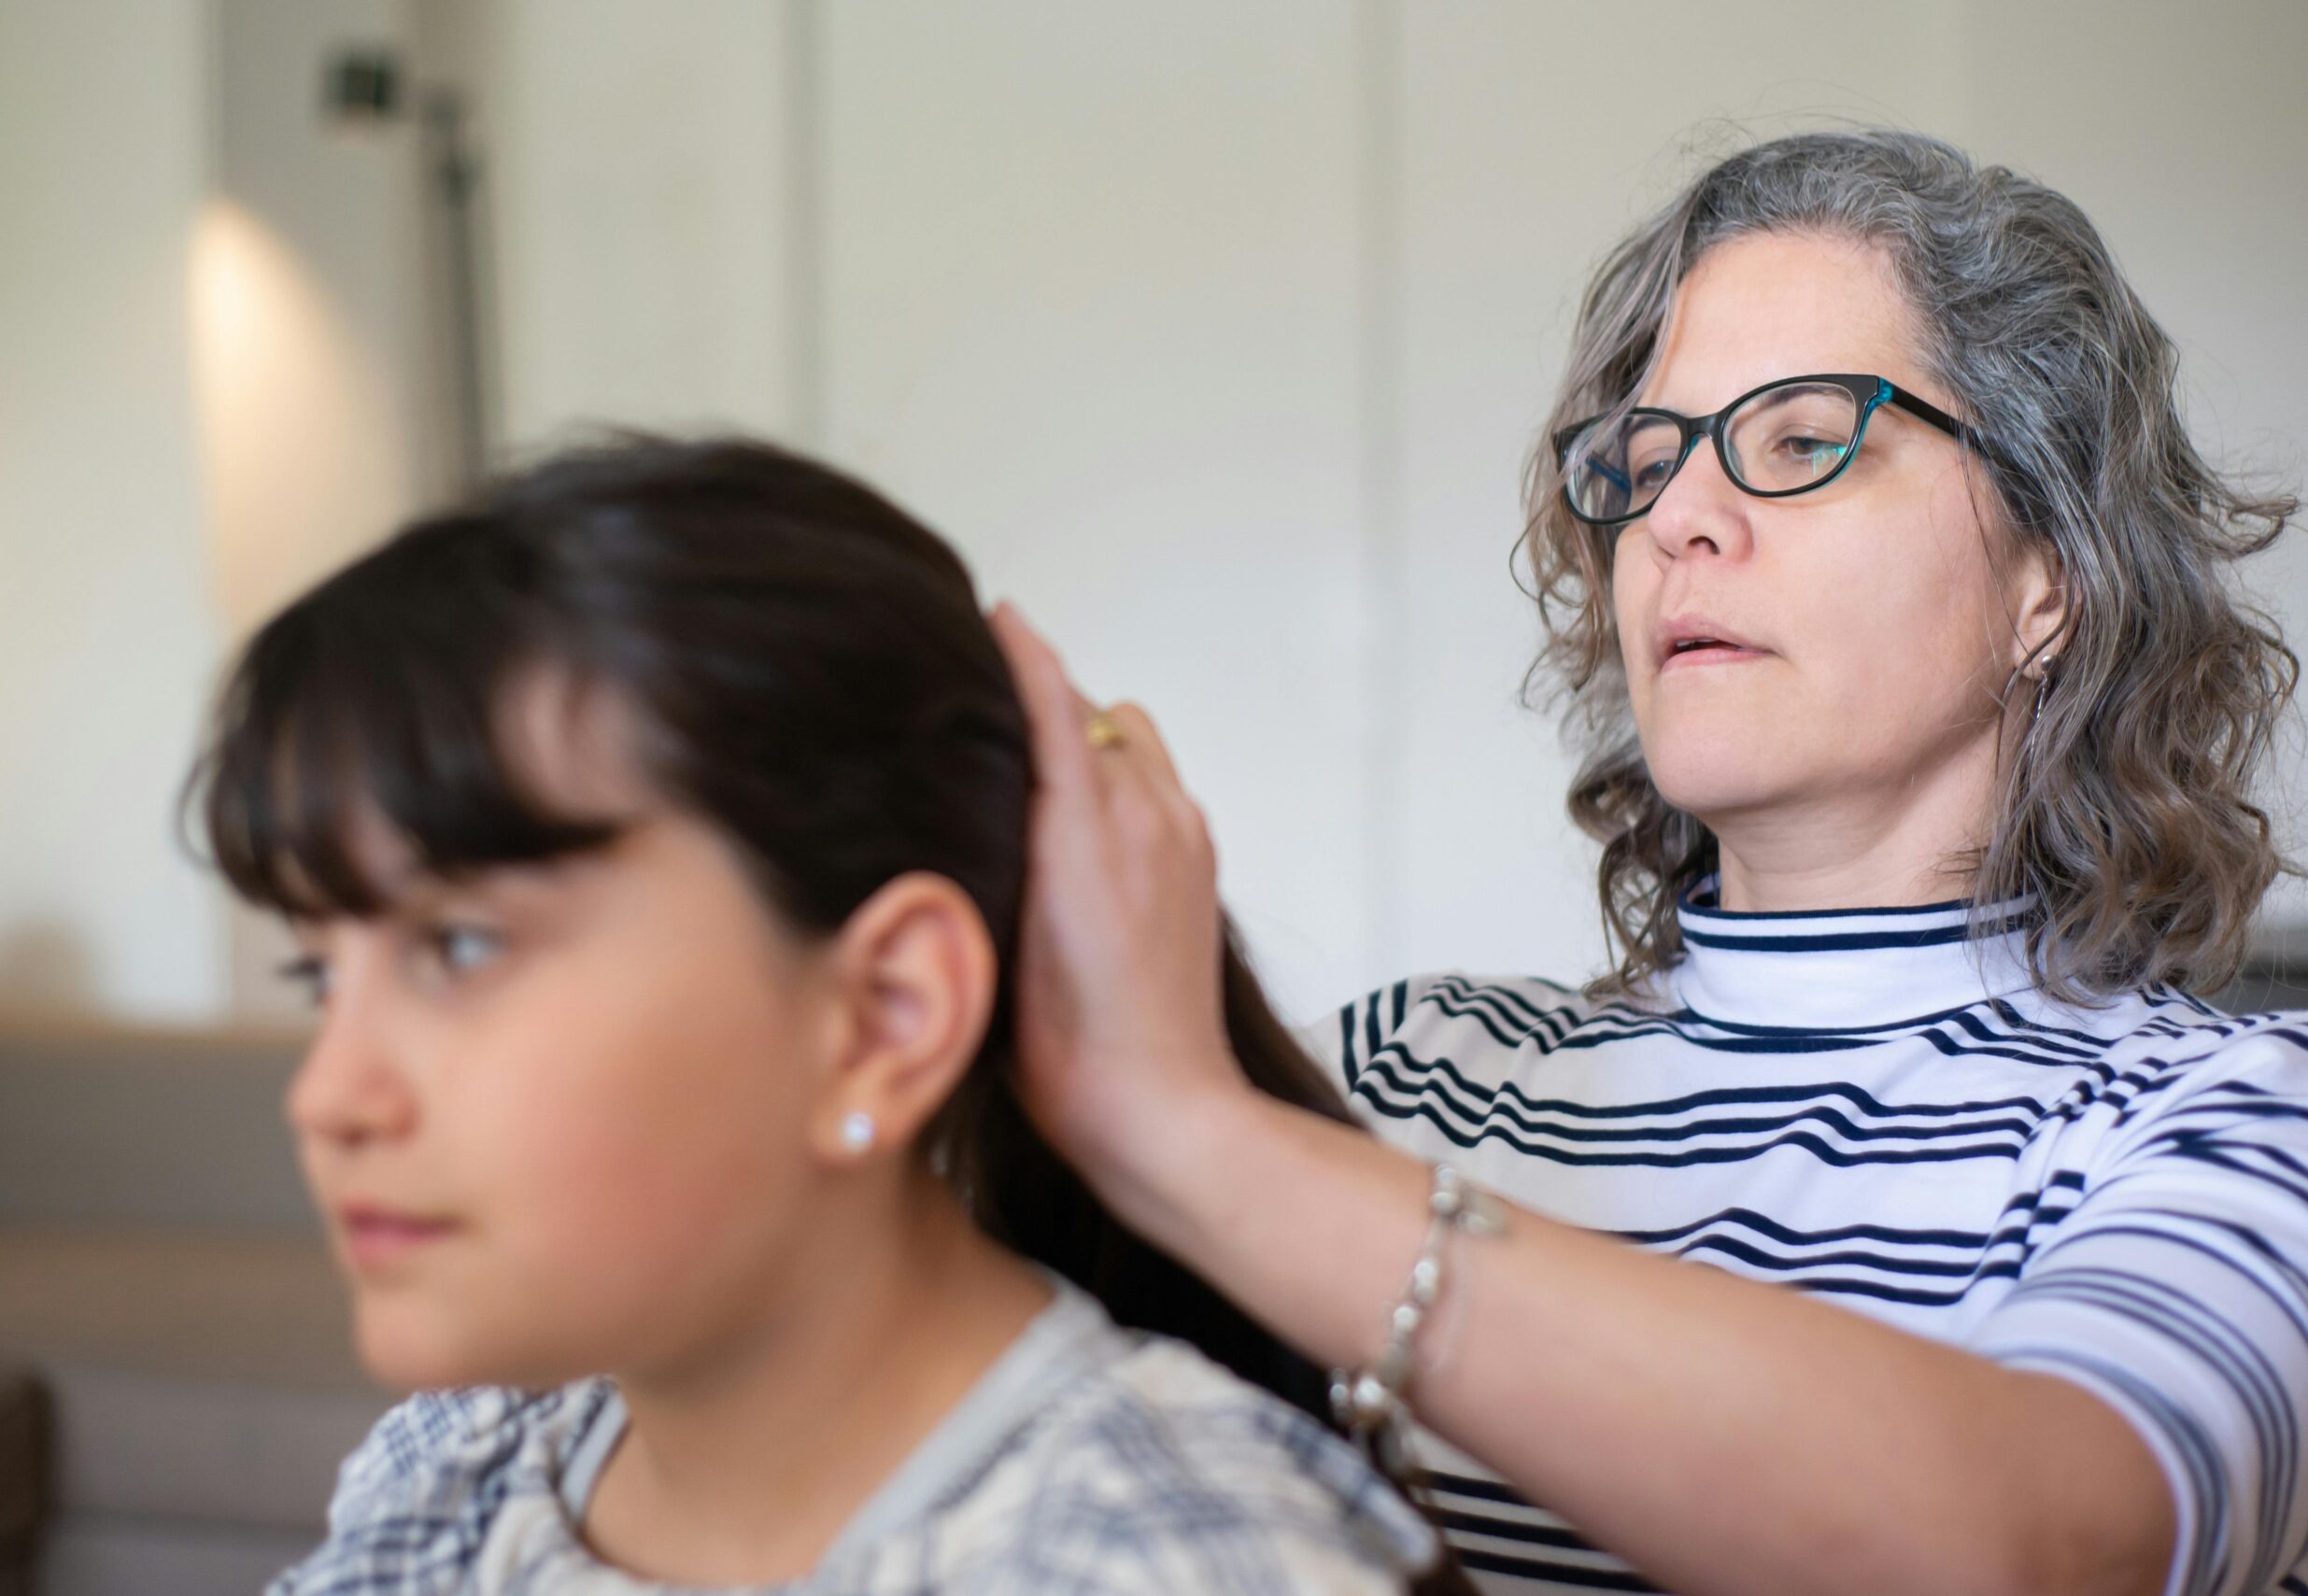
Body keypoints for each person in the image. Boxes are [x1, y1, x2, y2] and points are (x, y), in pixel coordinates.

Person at [988, 128, 2308, 1596]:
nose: (1676, 521)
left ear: (2055, 578)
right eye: (1646, 462)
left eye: (1802, 440)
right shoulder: (1406, 1074)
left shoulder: (2249, 1123)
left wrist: (1202, 1140)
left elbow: (2039, 1550)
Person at [187, 438, 1464, 1594]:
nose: (326, 1095)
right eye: (320, 977)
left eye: (457, 945)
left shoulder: (1183, 1564)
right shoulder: (449, 1470)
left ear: (884, 1015)